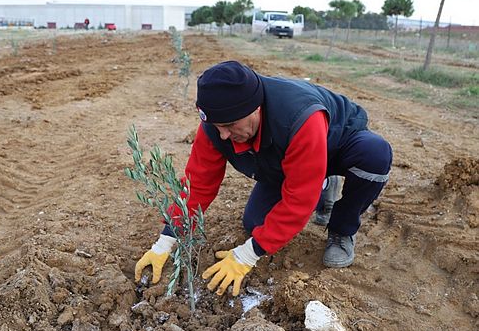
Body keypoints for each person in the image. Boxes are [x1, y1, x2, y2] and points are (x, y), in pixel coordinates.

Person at [135, 61, 392, 296]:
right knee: (256, 224)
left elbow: (299, 200)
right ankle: (321, 184)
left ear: (256, 109)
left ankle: (341, 229)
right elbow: (199, 184)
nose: (223, 135)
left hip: (336, 143)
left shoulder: (300, 117)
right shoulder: (217, 126)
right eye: (217, 126)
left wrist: (247, 255)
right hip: (288, 159)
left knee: (374, 155)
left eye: (231, 125)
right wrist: (166, 240)